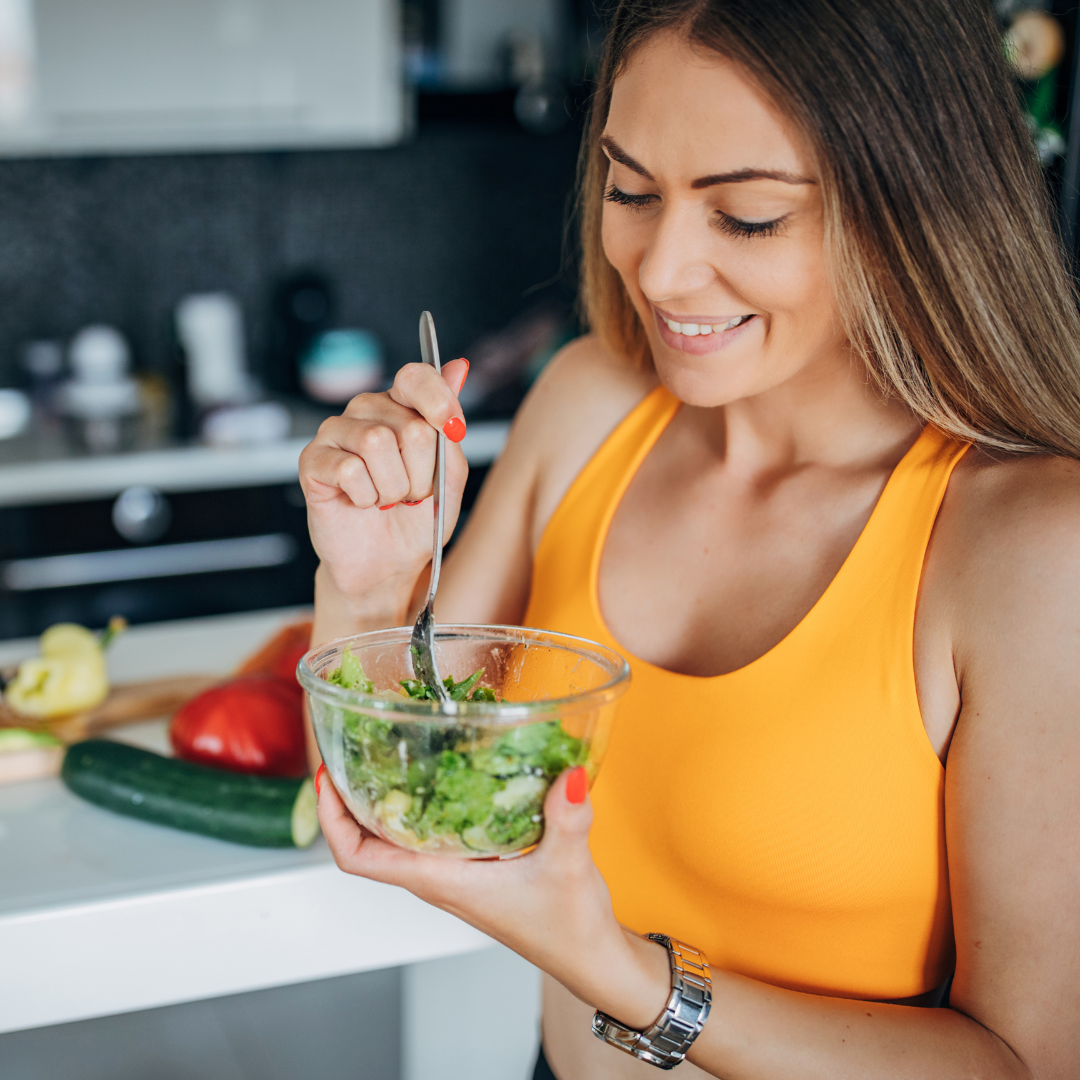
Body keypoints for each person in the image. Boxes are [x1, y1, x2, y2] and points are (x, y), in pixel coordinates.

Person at [298, 0, 1080, 1075]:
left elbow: (1027, 1064)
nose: (659, 271)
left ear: (919, 210)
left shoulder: (1030, 549)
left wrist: (625, 974)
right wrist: (373, 590)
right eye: (631, 190)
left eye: (747, 217)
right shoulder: (587, 409)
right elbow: (397, 807)